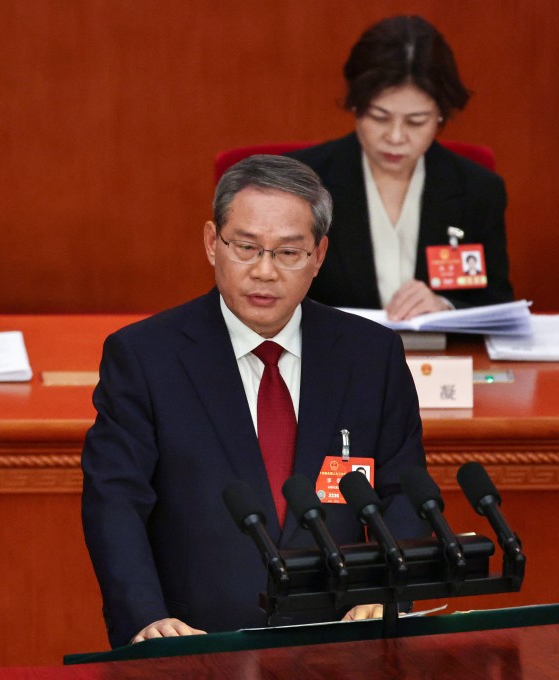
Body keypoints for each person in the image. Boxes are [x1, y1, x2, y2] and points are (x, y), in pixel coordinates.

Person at [82, 155, 428, 648]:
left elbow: (403, 492)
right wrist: (144, 616)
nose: (264, 272)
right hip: (195, 645)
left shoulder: (371, 356)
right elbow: (115, 501)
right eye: (245, 247)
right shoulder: (144, 357)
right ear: (211, 243)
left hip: (342, 646)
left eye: (288, 253)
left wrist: (391, 591)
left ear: (319, 255)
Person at [288, 15, 512, 320]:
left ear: (440, 117)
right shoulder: (300, 182)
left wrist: (445, 307)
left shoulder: (477, 191)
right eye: (380, 117)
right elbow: (269, 294)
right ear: (355, 106)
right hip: (332, 359)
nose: (395, 137)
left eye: (416, 121)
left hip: (441, 361)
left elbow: (497, 306)